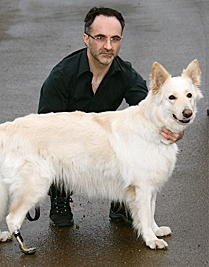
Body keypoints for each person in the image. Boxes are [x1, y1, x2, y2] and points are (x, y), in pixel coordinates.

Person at [37, 7, 183, 227]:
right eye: (100, 38)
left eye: (115, 39)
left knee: (131, 141)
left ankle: (120, 200)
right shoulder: (61, 76)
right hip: (67, 143)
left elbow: (150, 109)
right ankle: (60, 195)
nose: (108, 46)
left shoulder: (125, 74)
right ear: (86, 39)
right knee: (53, 147)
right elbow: (44, 129)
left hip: (101, 145)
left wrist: (173, 128)